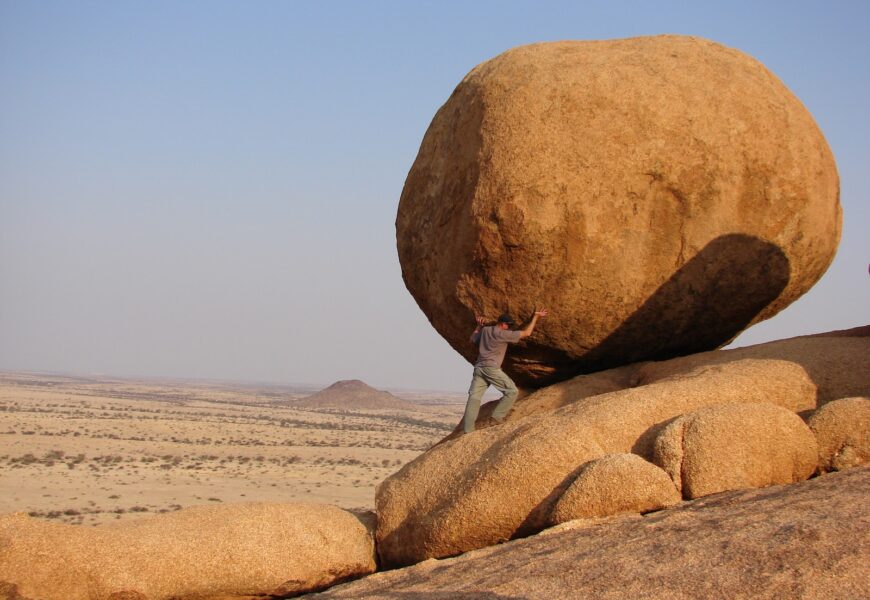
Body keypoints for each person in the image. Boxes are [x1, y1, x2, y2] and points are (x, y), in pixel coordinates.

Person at [462, 308, 549, 433]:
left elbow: (472, 339)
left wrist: (478, 327)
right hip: (491, 368)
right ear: (503, 324)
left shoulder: (485, 330)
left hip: (479, 368)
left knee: (474, 398)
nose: (509, 328)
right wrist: (535, 317)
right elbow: (527, 333)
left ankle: (468, 430)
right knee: (512, 391)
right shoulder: (503, 334)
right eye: (508, 325)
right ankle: (497, 416)